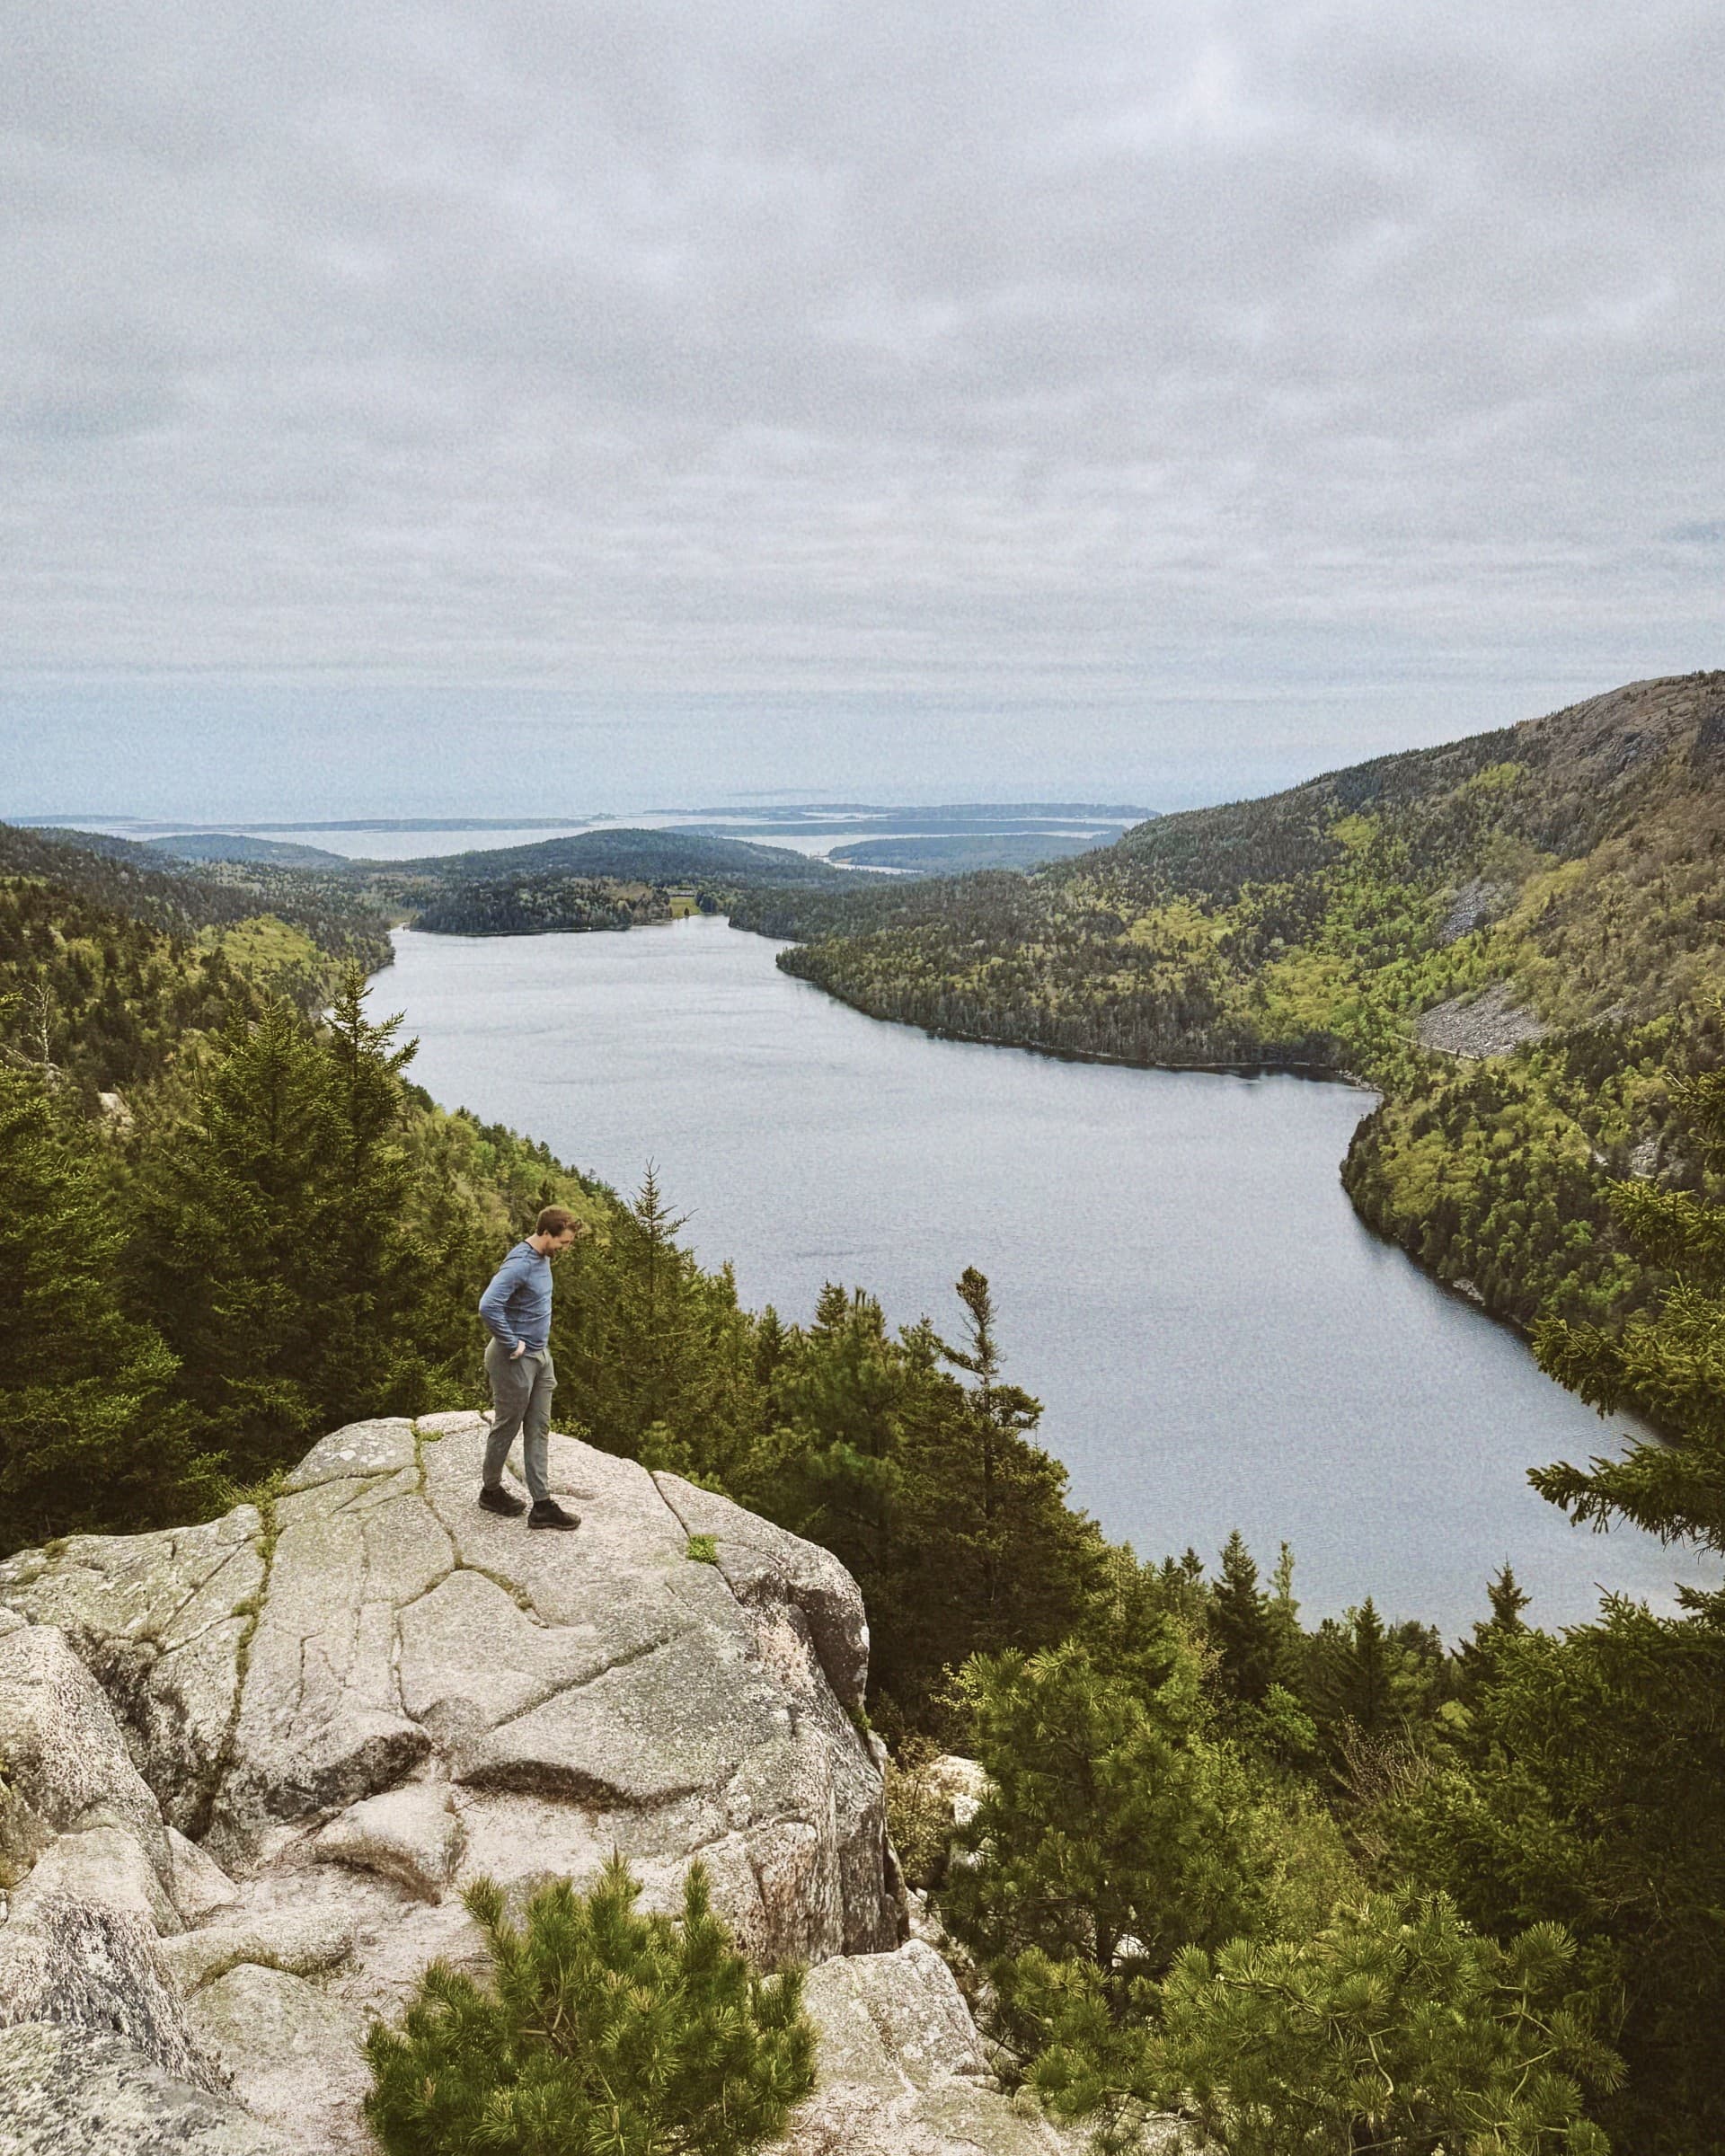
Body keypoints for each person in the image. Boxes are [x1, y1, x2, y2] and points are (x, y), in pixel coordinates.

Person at [476, 1205, 587, 1528]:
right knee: (508, 1425)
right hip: (513, 1359)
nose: (566, 1248)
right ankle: (490, 1491)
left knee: (538, 1426)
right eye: (563, 1242)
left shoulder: (543, 1256)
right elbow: (488, 1305)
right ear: (546, 1233)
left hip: (540, 1356)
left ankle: (542, 1505)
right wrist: (512, 1343)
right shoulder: (520, 1263)